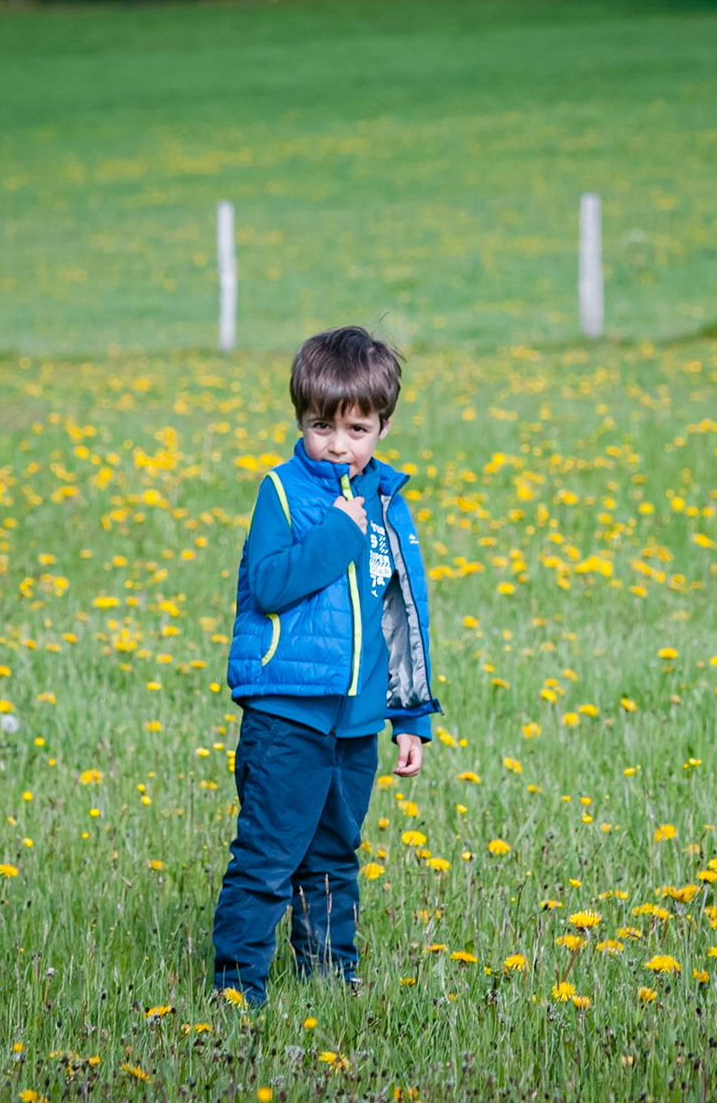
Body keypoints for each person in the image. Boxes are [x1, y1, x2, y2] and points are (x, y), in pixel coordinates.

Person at [211, 326, 440, 1008]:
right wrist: (337, 533)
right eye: (322, 426)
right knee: (268, 858)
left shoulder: (389, 504)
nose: (339, 444)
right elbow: (269, 584)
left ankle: (331, 982)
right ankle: (236, 990)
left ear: (383, 427)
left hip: (355, 725)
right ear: (301, 420)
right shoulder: (281, 491)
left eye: (357, 429)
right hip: (287, 715)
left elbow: (402, 613)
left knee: (336, 856)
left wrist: (410, 715)